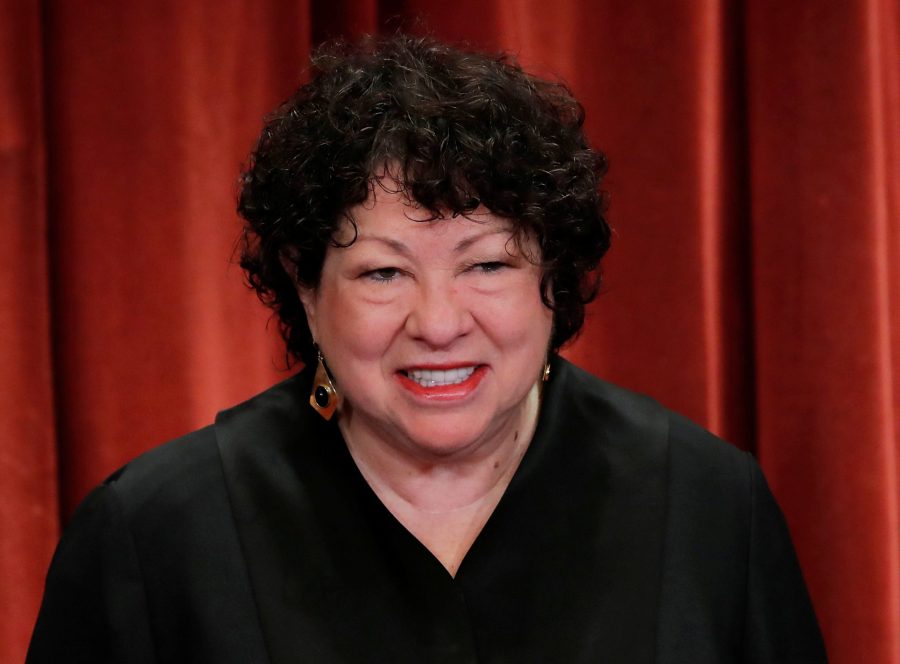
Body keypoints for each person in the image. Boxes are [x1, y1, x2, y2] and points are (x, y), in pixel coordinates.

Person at [27, 34, 827, 663]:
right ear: (305, 288)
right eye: (382, 272)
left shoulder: (707, 506)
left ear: (553, 277)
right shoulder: (155, 535)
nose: (438, 322)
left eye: (486, 263)